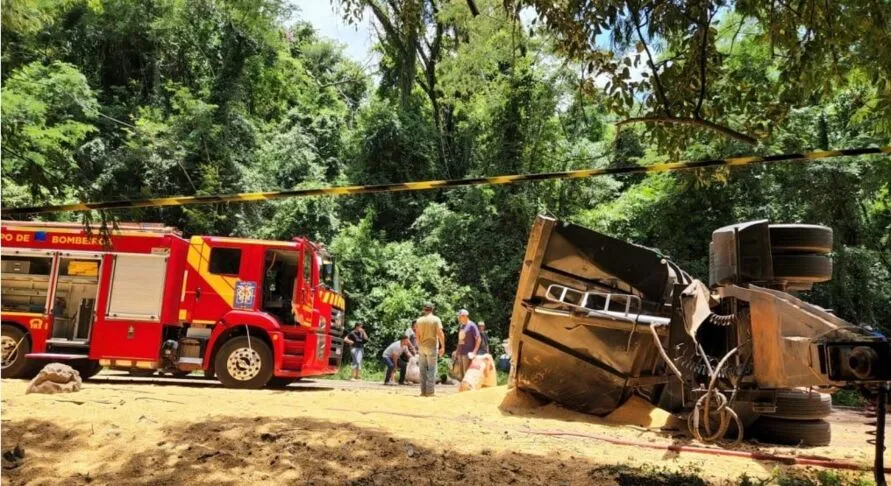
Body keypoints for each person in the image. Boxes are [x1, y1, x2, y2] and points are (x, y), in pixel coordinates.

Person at [414, 302, 445, 397]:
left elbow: (417, 335)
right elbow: (440, 334)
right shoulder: (436, 320)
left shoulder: (419, 320)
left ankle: (423, 392)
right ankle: (430, 392)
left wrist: (419, 345)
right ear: (432, 309)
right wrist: (443, 346)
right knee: (432, 369)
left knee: (422, 370)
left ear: (424, 309)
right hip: (431, 346)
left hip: (422, 347)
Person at [454, 309, 480, 380]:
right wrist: (457, 352)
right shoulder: (462, 326)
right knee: (462, 376)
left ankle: (469, 390)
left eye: (459, 317)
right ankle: (463, 390)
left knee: (467, 376)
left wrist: (474, 352)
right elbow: (460, 340)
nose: (458, 318)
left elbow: (478, 339)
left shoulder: (472, 325)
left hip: (468, 354)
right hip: (461, 353)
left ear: (465, 316)